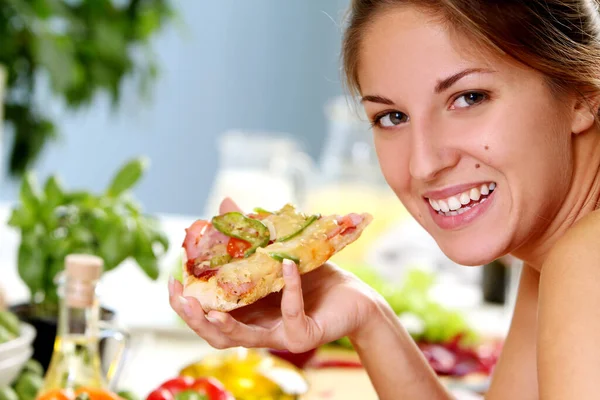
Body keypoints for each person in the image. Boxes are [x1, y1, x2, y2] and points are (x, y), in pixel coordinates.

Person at [169, 0, 600, 398]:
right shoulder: (554, 259)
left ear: (582, 92)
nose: (423, 164)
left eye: (469, 98)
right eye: (392, 117)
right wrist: (366, 316)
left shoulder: (586, 259)